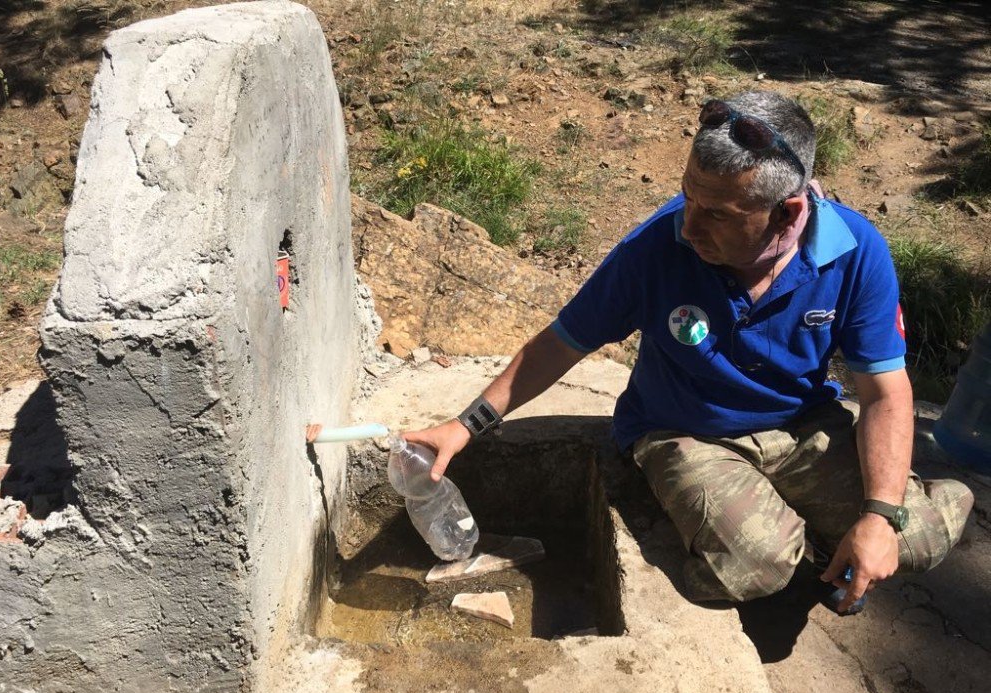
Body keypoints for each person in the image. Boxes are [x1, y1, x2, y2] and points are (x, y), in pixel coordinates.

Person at [403, 91, 973, 614]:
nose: (690, 224)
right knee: (758, 563)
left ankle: (833, 534)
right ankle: (774, 539)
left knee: (912, 534)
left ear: (789, 213)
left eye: (718, 213)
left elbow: (885, 391)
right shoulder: (656, 248)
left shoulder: (854, 251)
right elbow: (560, 344)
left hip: (801, 427)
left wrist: (878, 515)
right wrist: (466, 425)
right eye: (688, 196)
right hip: (686, 431)